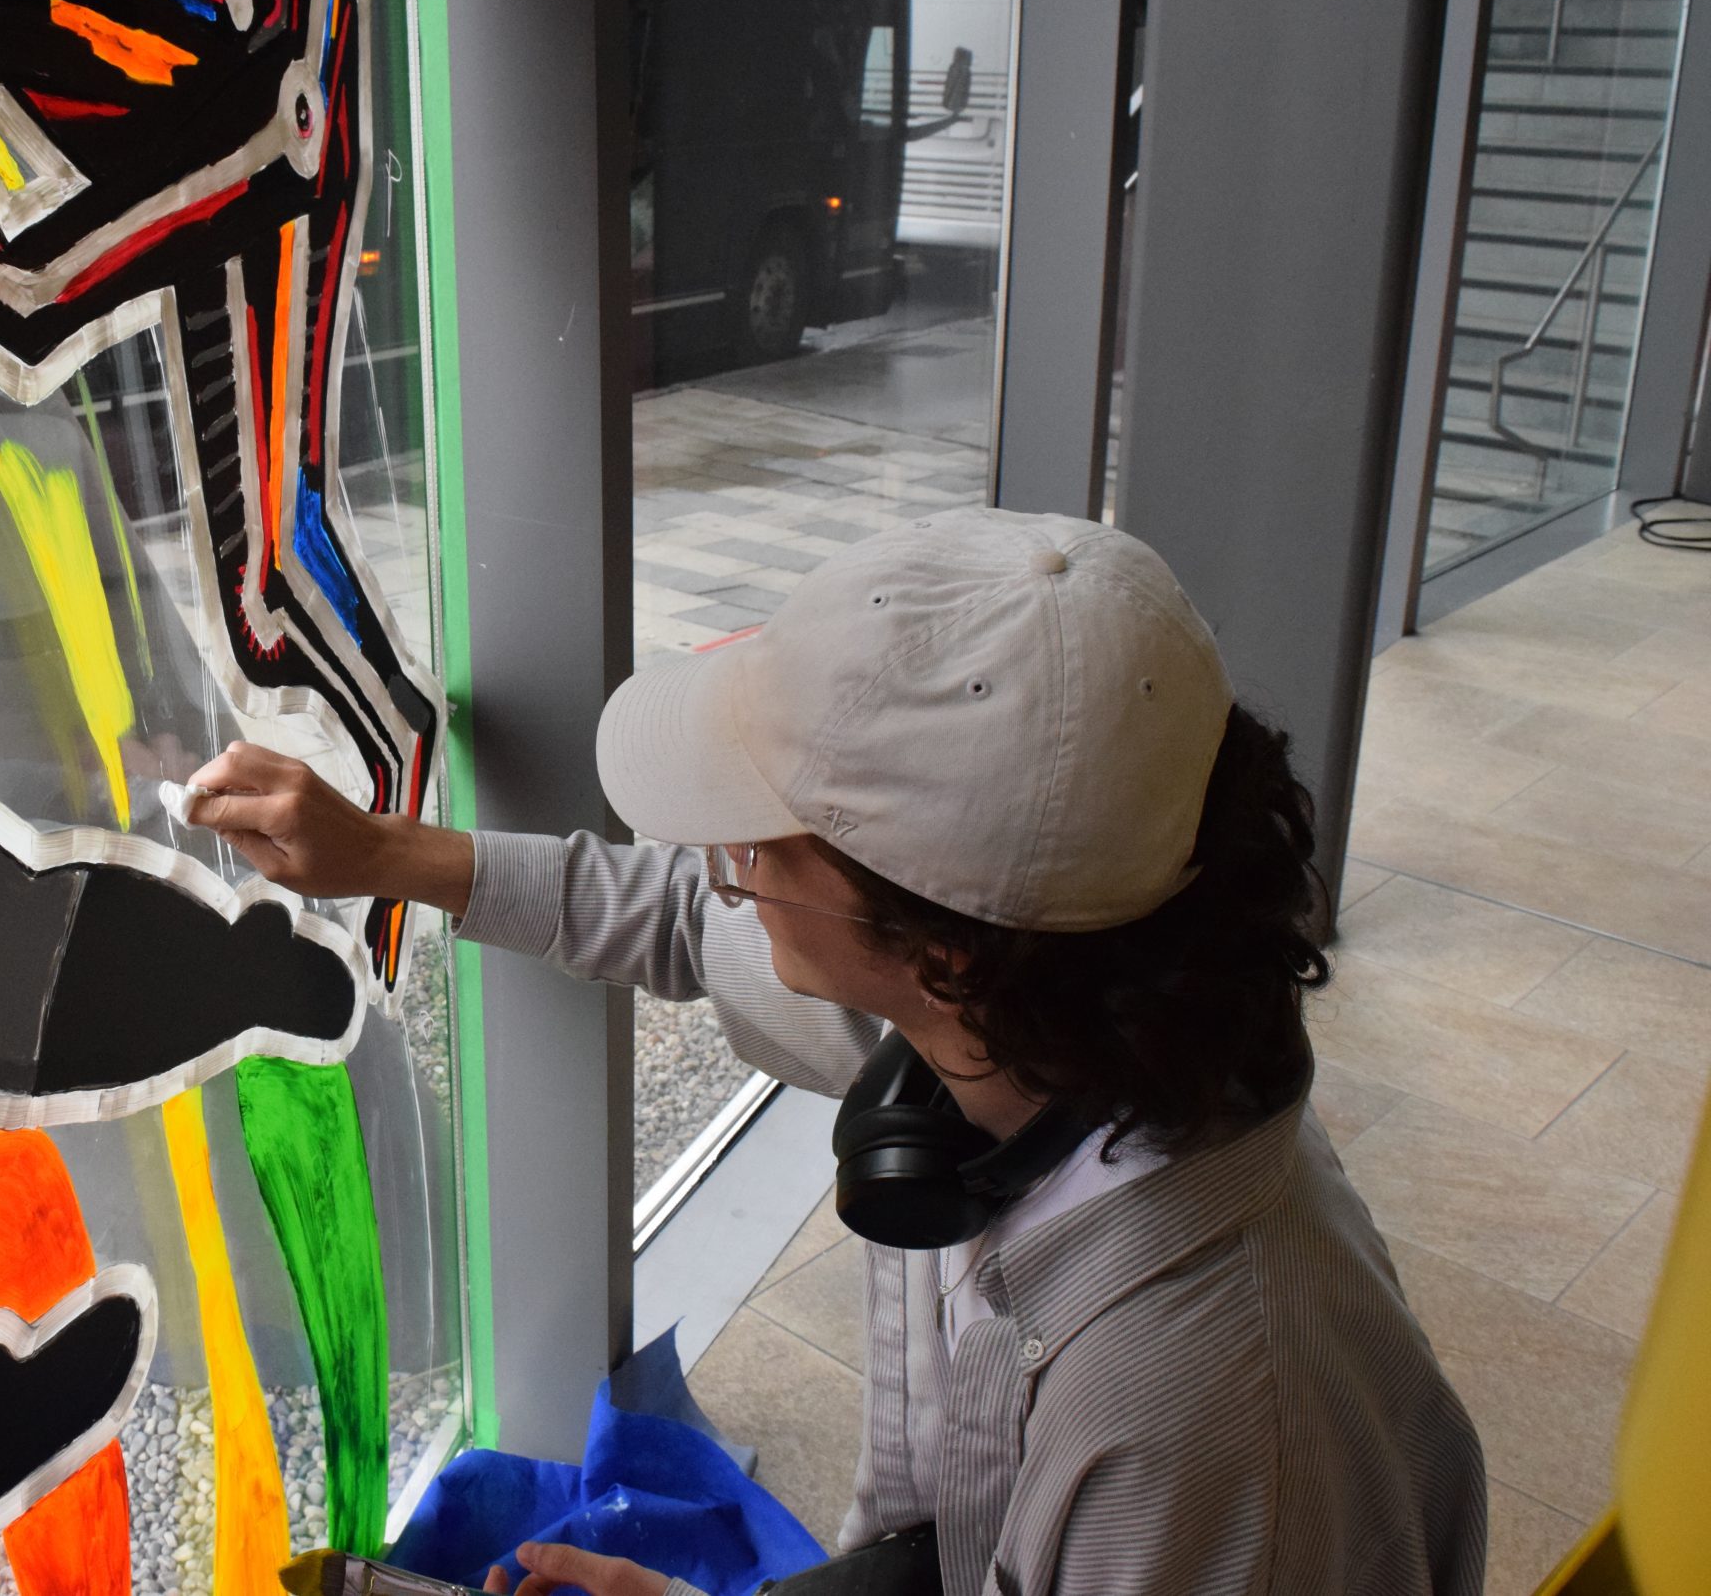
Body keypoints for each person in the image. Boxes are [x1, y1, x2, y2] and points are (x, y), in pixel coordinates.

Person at [186, 509, 1487, 1596]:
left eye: (757, 845)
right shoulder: (1031, 1022)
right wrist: (383, 854)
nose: (723, 867)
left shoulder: (1195, 1443)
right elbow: (679, 920)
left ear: (945, 952)